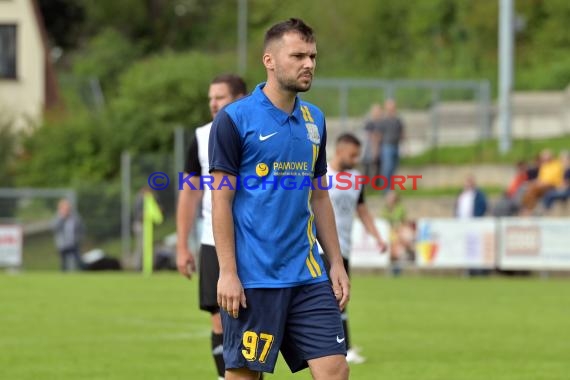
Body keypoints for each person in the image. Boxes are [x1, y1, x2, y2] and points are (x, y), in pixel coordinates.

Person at [209, 18, 350, 380]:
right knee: (243, 377)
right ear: (269, 61)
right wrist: (227, 273)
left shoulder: (314, 119)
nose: (309, 64)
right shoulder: (234, 119)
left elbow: (320, 197)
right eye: (298, 55)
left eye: (313, 56)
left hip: (308, 275)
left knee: (335, 370)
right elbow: (221, 201)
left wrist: (335, 261)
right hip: (254, 278)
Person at [176, 74, 247, 380]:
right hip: (213, 240)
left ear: (241, 99)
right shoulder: (202, 137)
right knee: (219, 317)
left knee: (255, 321)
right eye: (211, 99)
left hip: (255, 241)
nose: (214, 104)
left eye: (221, 97)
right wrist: (182, 246)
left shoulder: (260, 133)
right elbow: (189, 192)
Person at [319, 133, 386, 364]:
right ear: (339, 151)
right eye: (352, 154)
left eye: (358, 155)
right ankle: (342, 348)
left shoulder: (356, 179)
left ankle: (340, 347)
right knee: (335, 297)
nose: (356, 159)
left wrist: (377, 236)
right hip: (321, 247)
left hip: (343, 249)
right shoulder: (323, 175)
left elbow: (362, 210)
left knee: (340, 296)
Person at [521, 149, 563, 214]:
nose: (544, 159)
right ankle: (527, 209)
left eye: (545, 157)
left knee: (533, 189)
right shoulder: (544, 166)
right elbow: (540, 178)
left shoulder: (557, 165)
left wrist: (540, 183)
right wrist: (535, 182)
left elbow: (552, 179)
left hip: (552, 185)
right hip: (542, 185)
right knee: (528, 188)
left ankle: (528, 210)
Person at [378, 99, 404, 192]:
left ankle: (391, 190)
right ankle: (385, 190)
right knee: (387, 169)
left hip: (396, 146)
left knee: (393, 169)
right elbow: (379, 135)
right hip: (386, 146)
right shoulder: (384, 120)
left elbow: (402, 133)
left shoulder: (398, 120)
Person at [52, 198, 84, 271]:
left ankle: (83, 274)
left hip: (74, 242)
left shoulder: (75, 217)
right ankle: (64, 276)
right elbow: (54, 227)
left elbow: (81, 228)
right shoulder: (58, 217)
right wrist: (62, 217)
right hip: (63, 243)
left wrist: (79, 238)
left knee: (78, 261)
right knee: (64, 263)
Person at [362, 103, 383, 181]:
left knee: (378, 166)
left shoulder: (382, 123)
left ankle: (376, 183)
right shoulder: (369, 123)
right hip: (369, 148)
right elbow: (370, 136)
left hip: (380, 148)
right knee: (367, 166)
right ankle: (366, 183)